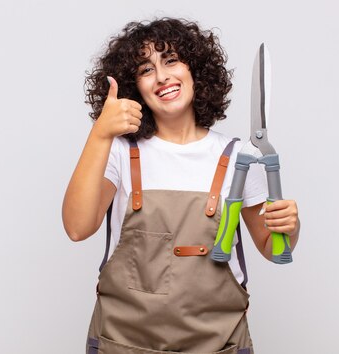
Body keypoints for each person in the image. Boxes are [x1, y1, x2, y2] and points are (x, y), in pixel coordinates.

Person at [62, 17, 300, 354]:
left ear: (196, 71)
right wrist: (100, 133)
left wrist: (289, 225)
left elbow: (275, 249)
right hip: (122, 345)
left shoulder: (237, 158)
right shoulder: (118, 150)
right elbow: (76, 226)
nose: (161, 77)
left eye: (171, 60)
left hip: (218, 345)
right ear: (135, 88)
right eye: (145, 69)